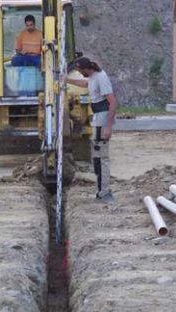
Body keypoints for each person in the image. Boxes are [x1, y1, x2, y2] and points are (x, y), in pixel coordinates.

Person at [67, 56, 118, 203]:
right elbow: (85, 83)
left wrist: (108, 127)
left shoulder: (101, 78)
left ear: (86, 69)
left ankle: (105, 193)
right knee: (96, 158)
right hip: (97, 117)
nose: (79, 73)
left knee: (102, 157)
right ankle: (101, 191)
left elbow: (112, 102)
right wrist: (66, 80)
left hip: (103, 118)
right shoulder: (93, 77)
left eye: (79, 70)